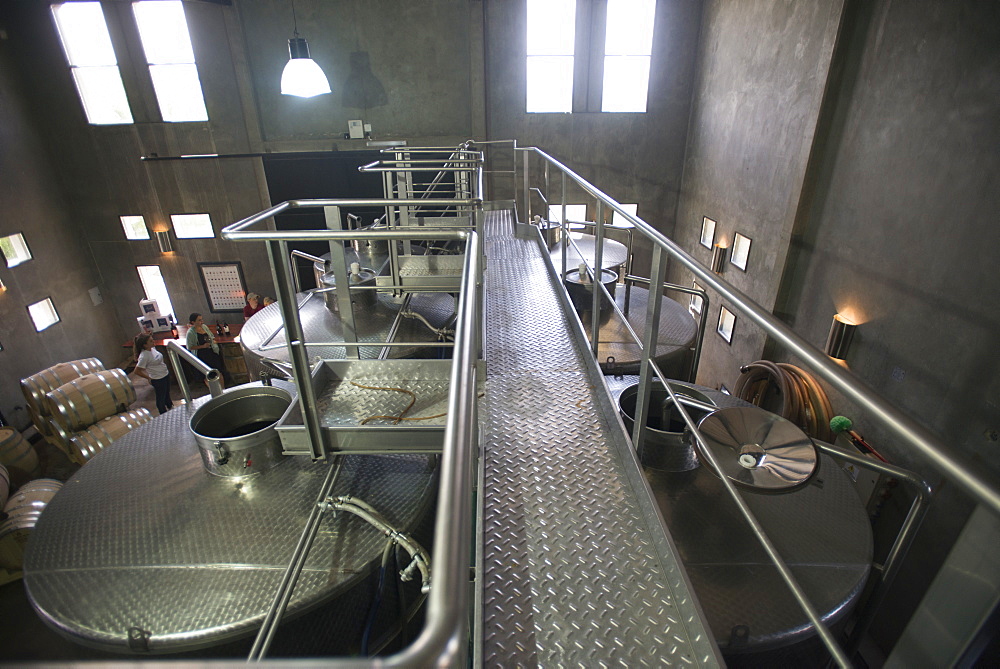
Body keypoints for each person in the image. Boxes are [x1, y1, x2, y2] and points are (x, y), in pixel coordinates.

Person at [133, 333, 173, 414]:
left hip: (165, 374)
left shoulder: (152, 349)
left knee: (167, 392)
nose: (153, 341)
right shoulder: (144, 356)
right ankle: (163, 413)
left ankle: (170, 406)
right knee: (160, 397)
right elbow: (137, 371)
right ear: (145, 345)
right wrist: (148, 377)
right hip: (158, 379)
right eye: (151, 341)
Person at [186, 312, 229, 387]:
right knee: (208, 375)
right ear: (193, 322)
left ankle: (223, 390)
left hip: (212, 352)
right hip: (202, 355)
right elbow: (190, 347)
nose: (202, 322)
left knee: (219, 371)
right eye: (199, 320)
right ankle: (214, 391)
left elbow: (211, 335)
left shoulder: (204, 327)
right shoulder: (191, 333)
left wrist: (213, 341)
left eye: (202, 320)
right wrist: (202, 346)